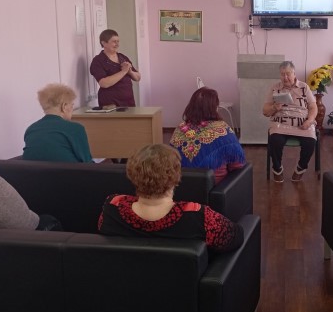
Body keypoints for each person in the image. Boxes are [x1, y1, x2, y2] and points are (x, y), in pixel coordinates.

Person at [98, 144, 244, 252]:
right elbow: (235, 238)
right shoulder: (199, 216)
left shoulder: (112, 207)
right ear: (175, 176)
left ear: (132, 175)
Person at [169, 87, 245, 184]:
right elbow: (237, 165)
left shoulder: (180, 129)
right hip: (216, 188)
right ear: (214, 107)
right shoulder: (223, 130)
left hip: (180, 186)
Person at [262, 61, 318, 182]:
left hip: (302, 123)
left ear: (294, 73)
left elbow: (313, 106)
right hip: (281, 122)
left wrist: (310, 120)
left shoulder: (304, 87)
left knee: (310, 142)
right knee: (275, 140)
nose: (285, 77)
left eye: (288, 74)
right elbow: (265, 110)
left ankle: (300, 168)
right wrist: (274, 108)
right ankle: (277, 169)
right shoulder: (275, 88)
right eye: (282, 74)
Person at [22, 83, 93, 163]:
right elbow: (87, 162)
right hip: (68, 171)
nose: (72, 109)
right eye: (72, 105)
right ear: (64, 106)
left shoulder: (31, 129)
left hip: (32, 171)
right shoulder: (75, 129)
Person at [89, 29, 141, 108]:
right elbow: (104, 83)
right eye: (114, 41)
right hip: (110, 104)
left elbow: (138, 77)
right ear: (104, 43)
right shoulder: (98, 60)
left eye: (118, 41)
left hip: (129, 103)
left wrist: (130, 72)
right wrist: (123, 72)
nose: (117, 44)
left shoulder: (123, 57)